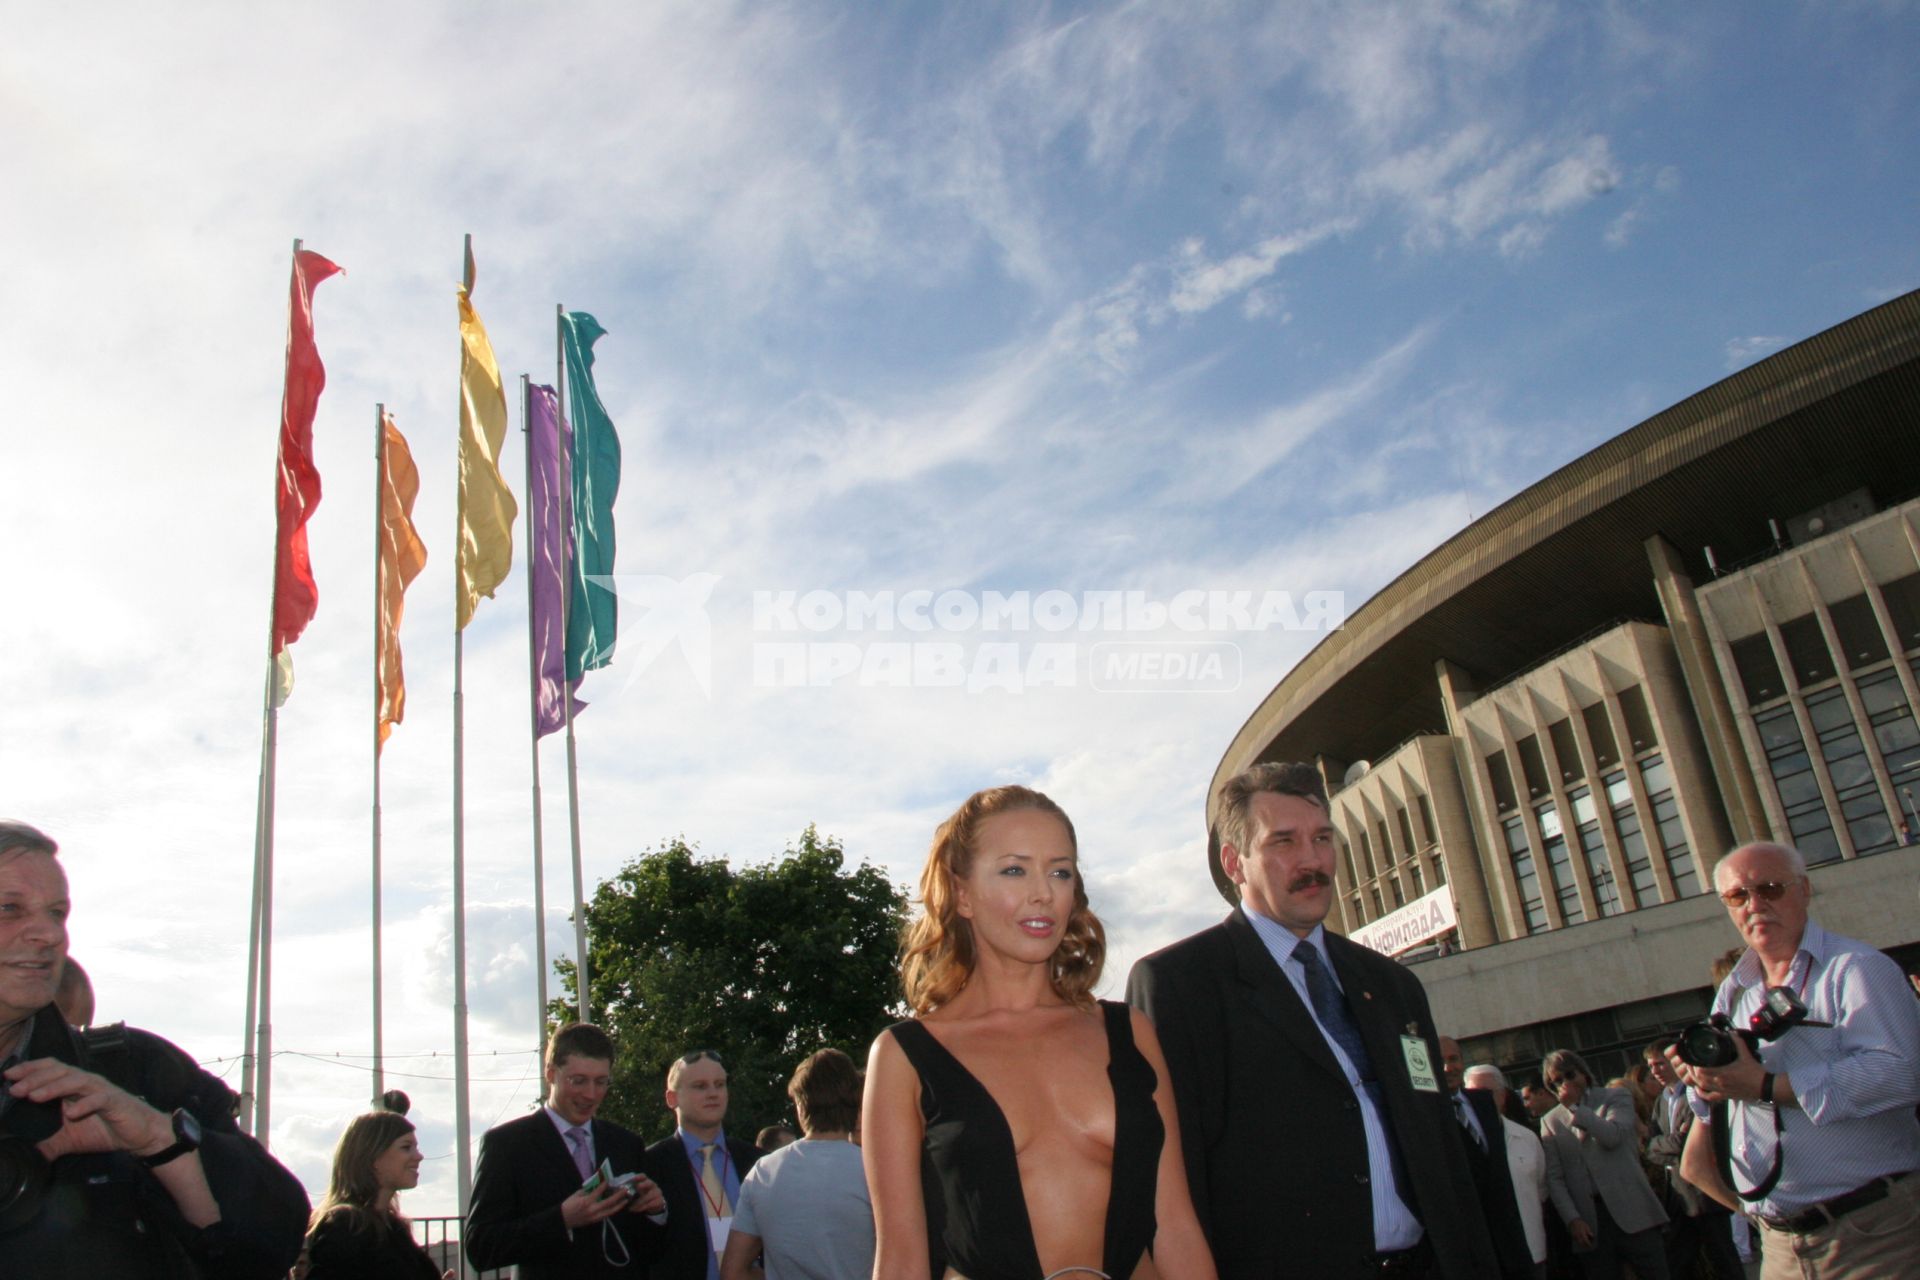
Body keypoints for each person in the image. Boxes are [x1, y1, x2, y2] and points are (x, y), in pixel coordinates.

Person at [1127, 762, 1498, 1278]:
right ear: (1235, 863)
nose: (1312, 860)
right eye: (1283, 842)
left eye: (1322, 838)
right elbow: (1173, 1172)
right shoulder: (1180, 985)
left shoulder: (1394, 986)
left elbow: (1440, 1147)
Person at [867, 784, 1216, 1280]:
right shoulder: (906, 1056)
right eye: (1014, 869)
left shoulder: (1129, 1032)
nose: (1043, 892)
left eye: (1060, 871)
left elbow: (1176, 1227)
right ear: (962, 893)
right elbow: (900, 1259)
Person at [0, 819, 308, 1277]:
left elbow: (271, 1244)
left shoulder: (132, 1072)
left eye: (57, 912)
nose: (49, 934)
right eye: (10, 908)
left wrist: (163, 1144)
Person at [1669, 840, 1920, 1279]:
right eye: (1738, 896)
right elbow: (1712, 1131)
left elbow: (1899, 1074)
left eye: (1770, 888)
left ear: (1803, 890)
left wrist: (1766, 1086)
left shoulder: (1856, 969)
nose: (1755, 905)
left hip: (1872, 1231)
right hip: (1780, 1244)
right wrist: (1706, 1082)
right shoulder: (1733, 996)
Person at [465, 1021, 666, 1279]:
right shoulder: (507, 1145)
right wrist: (561, 1220)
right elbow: (480, 1247)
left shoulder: (626, 1144)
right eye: (578, 1081)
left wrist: (656, 1212)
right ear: (550, 1073)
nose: (591, 1094)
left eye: (601, 1082)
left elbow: (651, 1251)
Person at [719, 1048, 872, 1280]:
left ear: (801, 1106)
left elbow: (733, 1271)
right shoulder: (874, 1170)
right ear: (856, 1102)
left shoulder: (764, 1171)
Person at [1538, 1047, 1669, 1279]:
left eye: (1569, 1075)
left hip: (1633, 1211)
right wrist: (1573, 1219)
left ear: (1583, 1073)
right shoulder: (1551, 1121)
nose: (1565, 1084)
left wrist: (1576, 1109)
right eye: (1557, 1081)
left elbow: (1612, 1137)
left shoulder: (1615, 1097)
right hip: (1592, 1221)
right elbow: (1555, 1178)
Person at [639, 1049, 763, 1280]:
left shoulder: (757, 1162)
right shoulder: (650, 1165)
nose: (713, 1094)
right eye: (700, 1086)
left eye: (719, 1084)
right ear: (671, 1098)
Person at [305, 1110, 450, 1279]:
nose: (419, 1156)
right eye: (406, 1147)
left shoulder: (393, 1226)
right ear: (372, 1156)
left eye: (416, 1148)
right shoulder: (346, 1226)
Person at [1640, 1037, 1740, 1280]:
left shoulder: (1696, 1093)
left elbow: (1683, 1143)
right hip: (1678, 1194)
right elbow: (1650, 1147)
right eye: (1651, 1067)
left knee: (1723, 1257)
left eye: (1661, 1064)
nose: (1656, 1072)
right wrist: (1666, 1144)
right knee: (1680, 1261)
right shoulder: (1662, 1101)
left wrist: (1666, 1144)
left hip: (1706, 1193)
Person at [1439, 1036, 1535, 1278]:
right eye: (1439, 1061)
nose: (1448, 1068)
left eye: (1453, 1059)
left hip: (1510, 1237)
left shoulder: (1482, 1101)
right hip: (1470, 1244)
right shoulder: (1426, 1113)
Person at [1466, 1064, 1551, 1279]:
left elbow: (1541, 1189)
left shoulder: (1527, 1138)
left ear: (1502, 1097)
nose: (1481, 1101)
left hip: (1530, 1251)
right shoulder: (1459, 1142)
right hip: (1486, 1258)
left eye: (1487, 1094)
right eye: (1473, 1095)